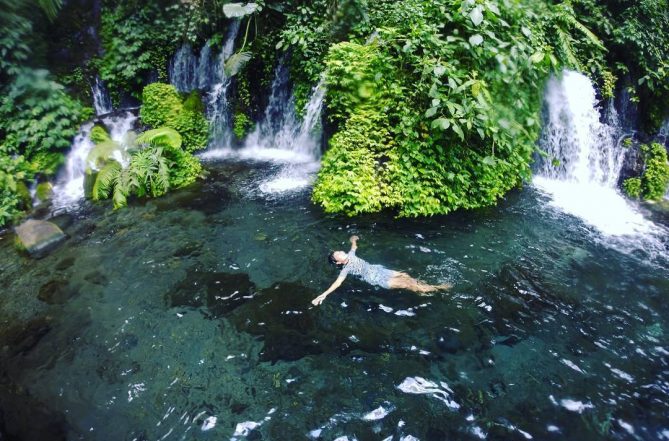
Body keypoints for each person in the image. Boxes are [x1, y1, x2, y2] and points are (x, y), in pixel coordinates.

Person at [311, 235, 451, 306]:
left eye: (340, 251)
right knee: (408, 284)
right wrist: (324, 295)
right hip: (376, 278)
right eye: (338, 254)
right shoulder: (345, 269)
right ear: (338, 262)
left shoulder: (351, 255)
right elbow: (337, 283)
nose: (341, 252)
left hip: (379, 269)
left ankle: (423, 289)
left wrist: (353, 239)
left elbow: (354, 247)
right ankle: (438, 288)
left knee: (405, 275)